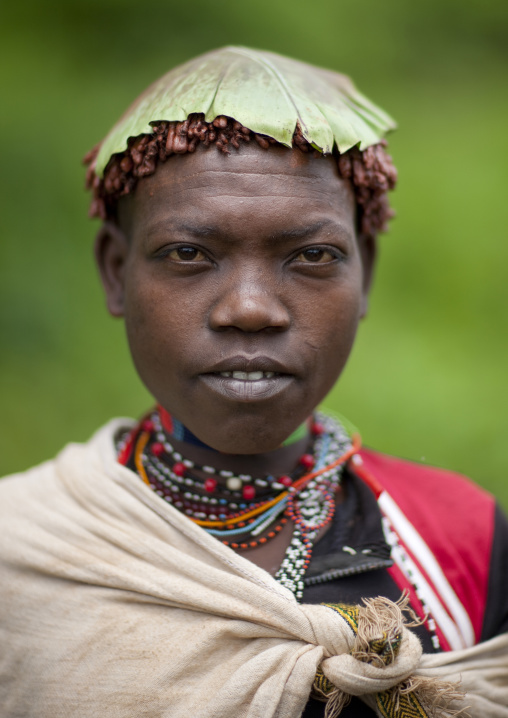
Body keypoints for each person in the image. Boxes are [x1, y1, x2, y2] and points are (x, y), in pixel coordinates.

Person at [0, 46, 507, 718]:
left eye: (311, 256)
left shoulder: (459, 539)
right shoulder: (21, 550)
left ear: (366, 275)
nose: (249, 309)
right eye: (189, 254)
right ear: (115, 272)